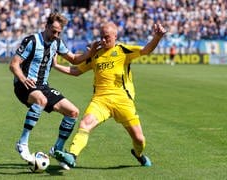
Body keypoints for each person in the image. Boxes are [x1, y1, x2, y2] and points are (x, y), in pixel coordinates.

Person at [53, 22, 167, 168]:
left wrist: (157, 37)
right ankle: (72, 155)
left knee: (139, 139)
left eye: (107, 37)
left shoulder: (123, 50)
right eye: (101, 37)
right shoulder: (95, 55)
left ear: (115, 36)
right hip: (100, 101)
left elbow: (146, 50)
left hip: (123, 102)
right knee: (85, 124)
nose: (103, 40)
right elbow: (76, 71)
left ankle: (138, 154)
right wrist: (56, 66)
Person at [9, 12, 99, 169]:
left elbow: (74, 59)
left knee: (73, 112)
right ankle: (22, 142)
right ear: (46, 26)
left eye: (59, 32)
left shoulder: (57, 42)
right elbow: (14, 64)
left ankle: (57, 149)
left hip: (43, 86)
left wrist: (90, 53)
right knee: (41, 100)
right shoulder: (31, 40)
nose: (56, 35)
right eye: (53, 31)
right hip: (24, 85)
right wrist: (23, 79)